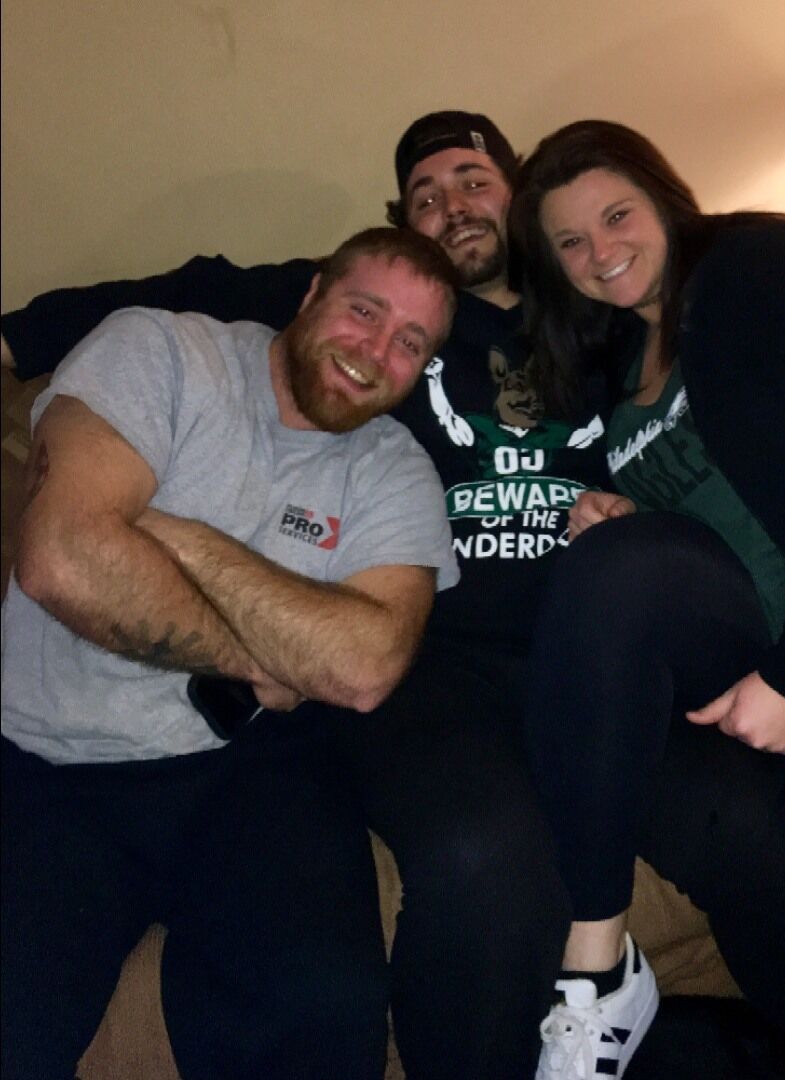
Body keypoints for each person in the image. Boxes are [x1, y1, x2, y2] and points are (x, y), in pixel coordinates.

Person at [1, 111, 785, 1079]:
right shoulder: (378, 312)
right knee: (483, 860)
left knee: (754, 832)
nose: (451, 205)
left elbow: (708, 429)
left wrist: (646, 524)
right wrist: (13, 339)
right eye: (425, 196)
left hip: (600, 660)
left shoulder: (599, 309)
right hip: (439, 668)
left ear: (520, 200)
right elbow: (187, 292)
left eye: (472, 180)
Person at [1, 226, 465, 1080]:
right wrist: (264, 657)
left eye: (410, 342)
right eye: (364, 311)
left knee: (327, 1012)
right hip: (46, 761)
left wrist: (173, 535)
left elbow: (365, 668)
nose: (375, 353)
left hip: (252, 769)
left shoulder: (394, 469)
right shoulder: (160, 352)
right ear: (311, 294)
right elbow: (62, 558)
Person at [508, 119, 785, 1077]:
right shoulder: (618, 360)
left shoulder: (757, 266)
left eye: (616, 217)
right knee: (612, 566)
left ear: (662, 198)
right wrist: (626, 511)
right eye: (570, 242)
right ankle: (598, 965)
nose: (600, 252)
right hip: (747, 648)